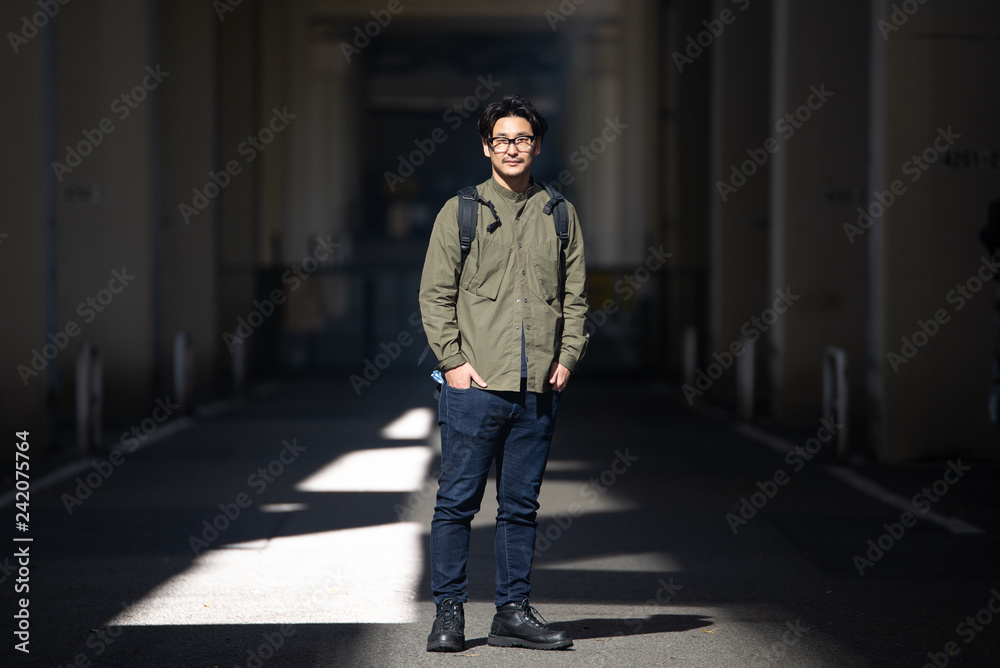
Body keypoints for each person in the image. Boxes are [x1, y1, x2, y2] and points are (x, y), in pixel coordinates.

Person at [418, 94, 589, 652]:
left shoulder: (559, 214)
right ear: (486, 146)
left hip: (538, 387)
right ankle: (448, 614)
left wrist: (567, 357)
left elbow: (576, 298)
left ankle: (512, 614)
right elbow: (435, 295)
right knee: (456, 503)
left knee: (520, 508)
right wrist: (453, 363)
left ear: (537, 146)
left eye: (523, 139)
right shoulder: (460, 211)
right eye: (502, 139)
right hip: (475, 386)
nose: (512, 148)